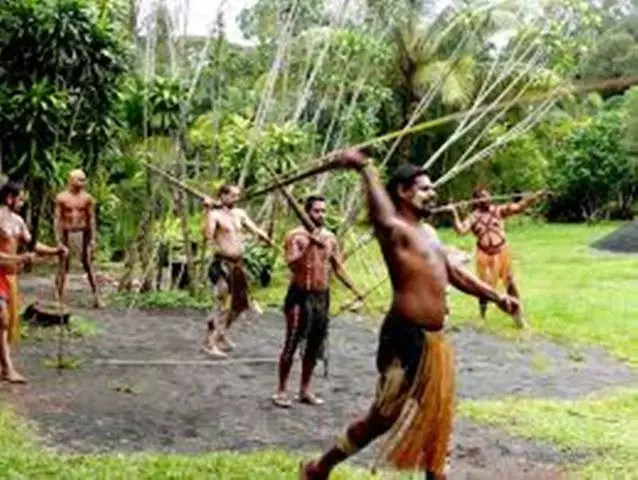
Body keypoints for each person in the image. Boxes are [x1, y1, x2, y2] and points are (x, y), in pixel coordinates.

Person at [299, 153, 520, 480]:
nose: (433, 194)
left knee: (437, 415)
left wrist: (497, 296)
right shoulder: (396, 230)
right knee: (382, 418)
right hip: (404, 337)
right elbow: (380, 213)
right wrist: (364, 168)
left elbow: (454, 274)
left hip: (435, 342)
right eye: (425, 188)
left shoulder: (428, 232)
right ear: (403, 192)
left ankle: (435, 475)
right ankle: (320, 467)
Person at [273, 195, 364, 408]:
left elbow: (338, 267)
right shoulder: (295, 236)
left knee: (315, 345)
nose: (321, 215)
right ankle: (281, 390)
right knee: (292, 343)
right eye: (316, 211)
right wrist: (309, 246)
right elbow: (291, 264)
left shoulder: (330, 238)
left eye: (323, 211)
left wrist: (355, 290)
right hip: (299, 296)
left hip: (321, 297)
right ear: (307, 212)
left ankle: (305, 390)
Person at [447, 186, 546, 327]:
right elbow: (461, 230)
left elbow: (519, 207)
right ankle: (482, 317)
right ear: (476, 201)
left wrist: (534, 197)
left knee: (510, 283)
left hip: (501, 252)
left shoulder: (499, 211)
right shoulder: (473, 217)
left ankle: (518, 316)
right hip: (484, 254)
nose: (486, 199)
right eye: (482, 197)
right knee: (484, 287)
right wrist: (454, 213)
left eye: (487, 196)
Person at [0, 181, 68, 383]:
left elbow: (32, 244)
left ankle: (3, 366)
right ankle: (8, 368)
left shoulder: (18, 222)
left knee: (7, 323)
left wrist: (55, 251)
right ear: (9, 198)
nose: (22, 203)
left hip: (10, 277)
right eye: (19, 198)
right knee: (2, 319)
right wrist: (19, 259)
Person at [202, 183, 276, 358]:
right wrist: (206, 211)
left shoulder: (239, 214)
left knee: (240, 306)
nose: (236, 199)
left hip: (237, 264)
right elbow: (207, 235)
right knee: (223, 304)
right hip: (221, 264)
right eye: (233, 196)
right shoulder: (214, 215)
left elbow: (254, 228)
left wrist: (263, 236)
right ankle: (210, 343)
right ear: (223, 196)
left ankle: (221, 335)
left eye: (237, 196)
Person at [54, 169, 102, 308]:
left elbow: (91, 218)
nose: (83, 182)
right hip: (67, 231)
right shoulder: (61, 197)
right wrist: (58, 239)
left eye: (84, 179)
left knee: (88, 263)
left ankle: (96, 296)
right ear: (70, 180)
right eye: (79, 179)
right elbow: (57, 219)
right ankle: (59, 298)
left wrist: (93, 238)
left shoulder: (87, 198)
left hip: (83, 231)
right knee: (64, 264)